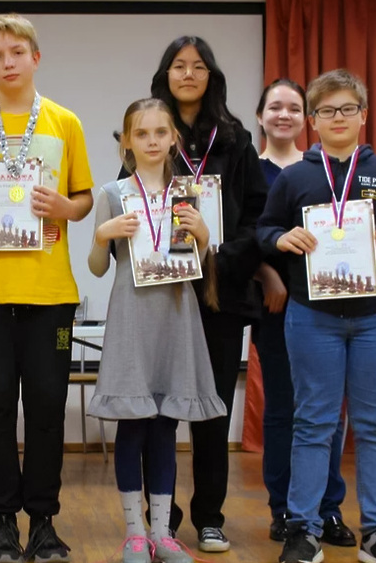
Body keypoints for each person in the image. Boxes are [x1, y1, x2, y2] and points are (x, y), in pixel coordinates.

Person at [257, 68, 376, 563]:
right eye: (327, 110)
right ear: (312, 120)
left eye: (347, 109)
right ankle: (303, 529)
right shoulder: (295, 177)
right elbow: (264, 231)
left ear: (363, 115)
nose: (338, 117)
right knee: (314, 422)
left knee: (374, 425)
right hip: (312, 317)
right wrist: (281, 238)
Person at [0, 13, 94, 563]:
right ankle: (3, 521)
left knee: (49, 406)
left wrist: (64, 207)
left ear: (35, 57)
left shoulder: (64, 122)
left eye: (16, 52)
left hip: (50, 293)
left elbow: (83, 199)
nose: (7, 63)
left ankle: (44, 521)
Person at [123, 36, 268, 553]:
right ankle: (160, 520)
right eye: (179, 66)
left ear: (211, 77)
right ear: (166, 74)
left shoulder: (236, 140)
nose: (188, 74)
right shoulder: (150, 129)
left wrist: (219, 254)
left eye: (199, 66)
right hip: (158, 295)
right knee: (156, 412)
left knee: (211, 411)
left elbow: (258, 216)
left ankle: (209, 516)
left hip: (217, 294)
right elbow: (127, 203)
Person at [89, 98, 227, 563]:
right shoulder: (112, 193)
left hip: (176, 316)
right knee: (133, 425)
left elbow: (198, 265)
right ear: (127, 141)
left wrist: (203, 236)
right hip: (131, 318)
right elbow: (96, 267)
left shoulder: (189, 193)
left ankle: (163, 533)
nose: (151, 141)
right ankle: (134, 534)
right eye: (141, 133)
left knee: (167, 426)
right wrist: (102, 235)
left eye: (160, 132)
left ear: (173, 139)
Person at [253, 79, 355, 546]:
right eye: (275, 107)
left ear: (307, 118)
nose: (284, 115)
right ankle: (285, 509)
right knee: (283, 409)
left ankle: (327, 510)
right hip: (275, 307)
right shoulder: (250, 172)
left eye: (294, 108)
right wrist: (267, 276)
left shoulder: (328, 171)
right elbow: (244, 235)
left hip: (327, 309)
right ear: (260, 116)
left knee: (326, 413)